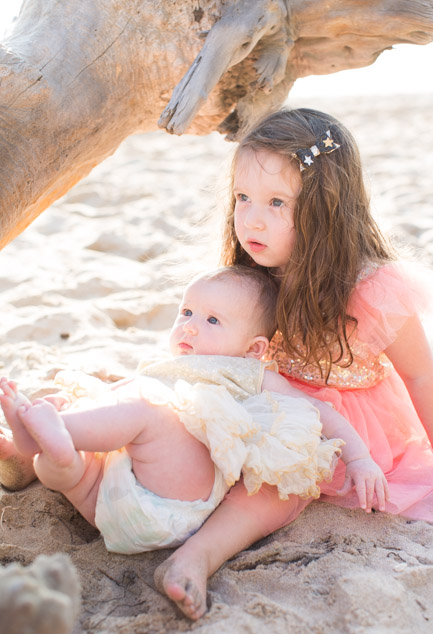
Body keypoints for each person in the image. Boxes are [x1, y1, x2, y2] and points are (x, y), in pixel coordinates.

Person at [152, 107, 433, 620]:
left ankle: (195, 558)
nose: (251, 220)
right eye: (242, 199)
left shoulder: (370, 287)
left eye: (277, 202)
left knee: (274, 487)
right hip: (260, 393)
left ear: (325, 208)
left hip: (338, 429)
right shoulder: (251, 279)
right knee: (173, 432)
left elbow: (420, 373)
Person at [0, 266, 385, 557]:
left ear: (253, 349)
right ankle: (51, 450)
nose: (190, 327)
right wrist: (85, 404)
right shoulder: (162, 368)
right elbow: (117, 402)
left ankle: (42, 434)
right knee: (70, 465)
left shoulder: (250, 373)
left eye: (212, 320)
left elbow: (320, 411)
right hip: (106, 506)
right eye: (186, 312)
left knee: (146, 410)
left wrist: (360, 459)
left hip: (175, 502)